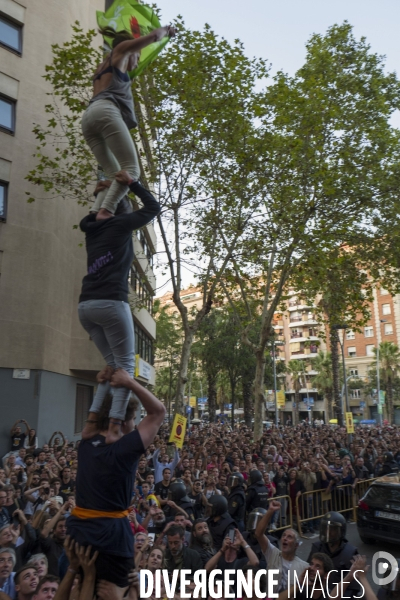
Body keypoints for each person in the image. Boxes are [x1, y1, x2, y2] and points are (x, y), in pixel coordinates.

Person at [78, 174, 161, 444]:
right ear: (122, 208)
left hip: (86, 306)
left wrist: (108, 195)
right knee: (125, 367)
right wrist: (133, 183)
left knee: (112, 366)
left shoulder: (90, 227)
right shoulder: (121, 224)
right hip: (111, 303)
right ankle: (114, 426)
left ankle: (91, 425)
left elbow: (92, 215)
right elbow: (153, 208)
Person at [67, 370, 165, 594]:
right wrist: (129, 383)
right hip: (111, 537)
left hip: (79, 532)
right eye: (134, 419)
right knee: (116, 591)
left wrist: (102, 386)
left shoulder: (85, 443)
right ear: (123, 421)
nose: (135, 425)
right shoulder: (123, 449)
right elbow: (158, 411)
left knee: (84, 589)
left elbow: (91, 420)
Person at [82, 24, 175, 221]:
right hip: (105, 111)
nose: (138, 61)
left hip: (89, 118)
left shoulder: (103, 66)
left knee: (114, 174)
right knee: (131, 169)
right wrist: (166, 31)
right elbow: (154, 35)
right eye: (137, 56)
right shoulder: (121, 51)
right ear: (130, 49)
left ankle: (95, 212)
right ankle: (107, 212)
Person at [255, 499, 308, 594]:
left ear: (296, 545)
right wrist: (270, 511)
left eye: (289, 537)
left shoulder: (304, 567)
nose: (285, 538)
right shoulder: (273, 553)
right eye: (283, 535)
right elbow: (258, 534)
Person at [307, 511, 359, 598]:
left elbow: (352, 589)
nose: (328, 532)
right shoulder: (317, 547)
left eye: (332, 529)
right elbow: (308, 573)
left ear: (340, 531)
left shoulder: (350, 553)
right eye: (326, 529)